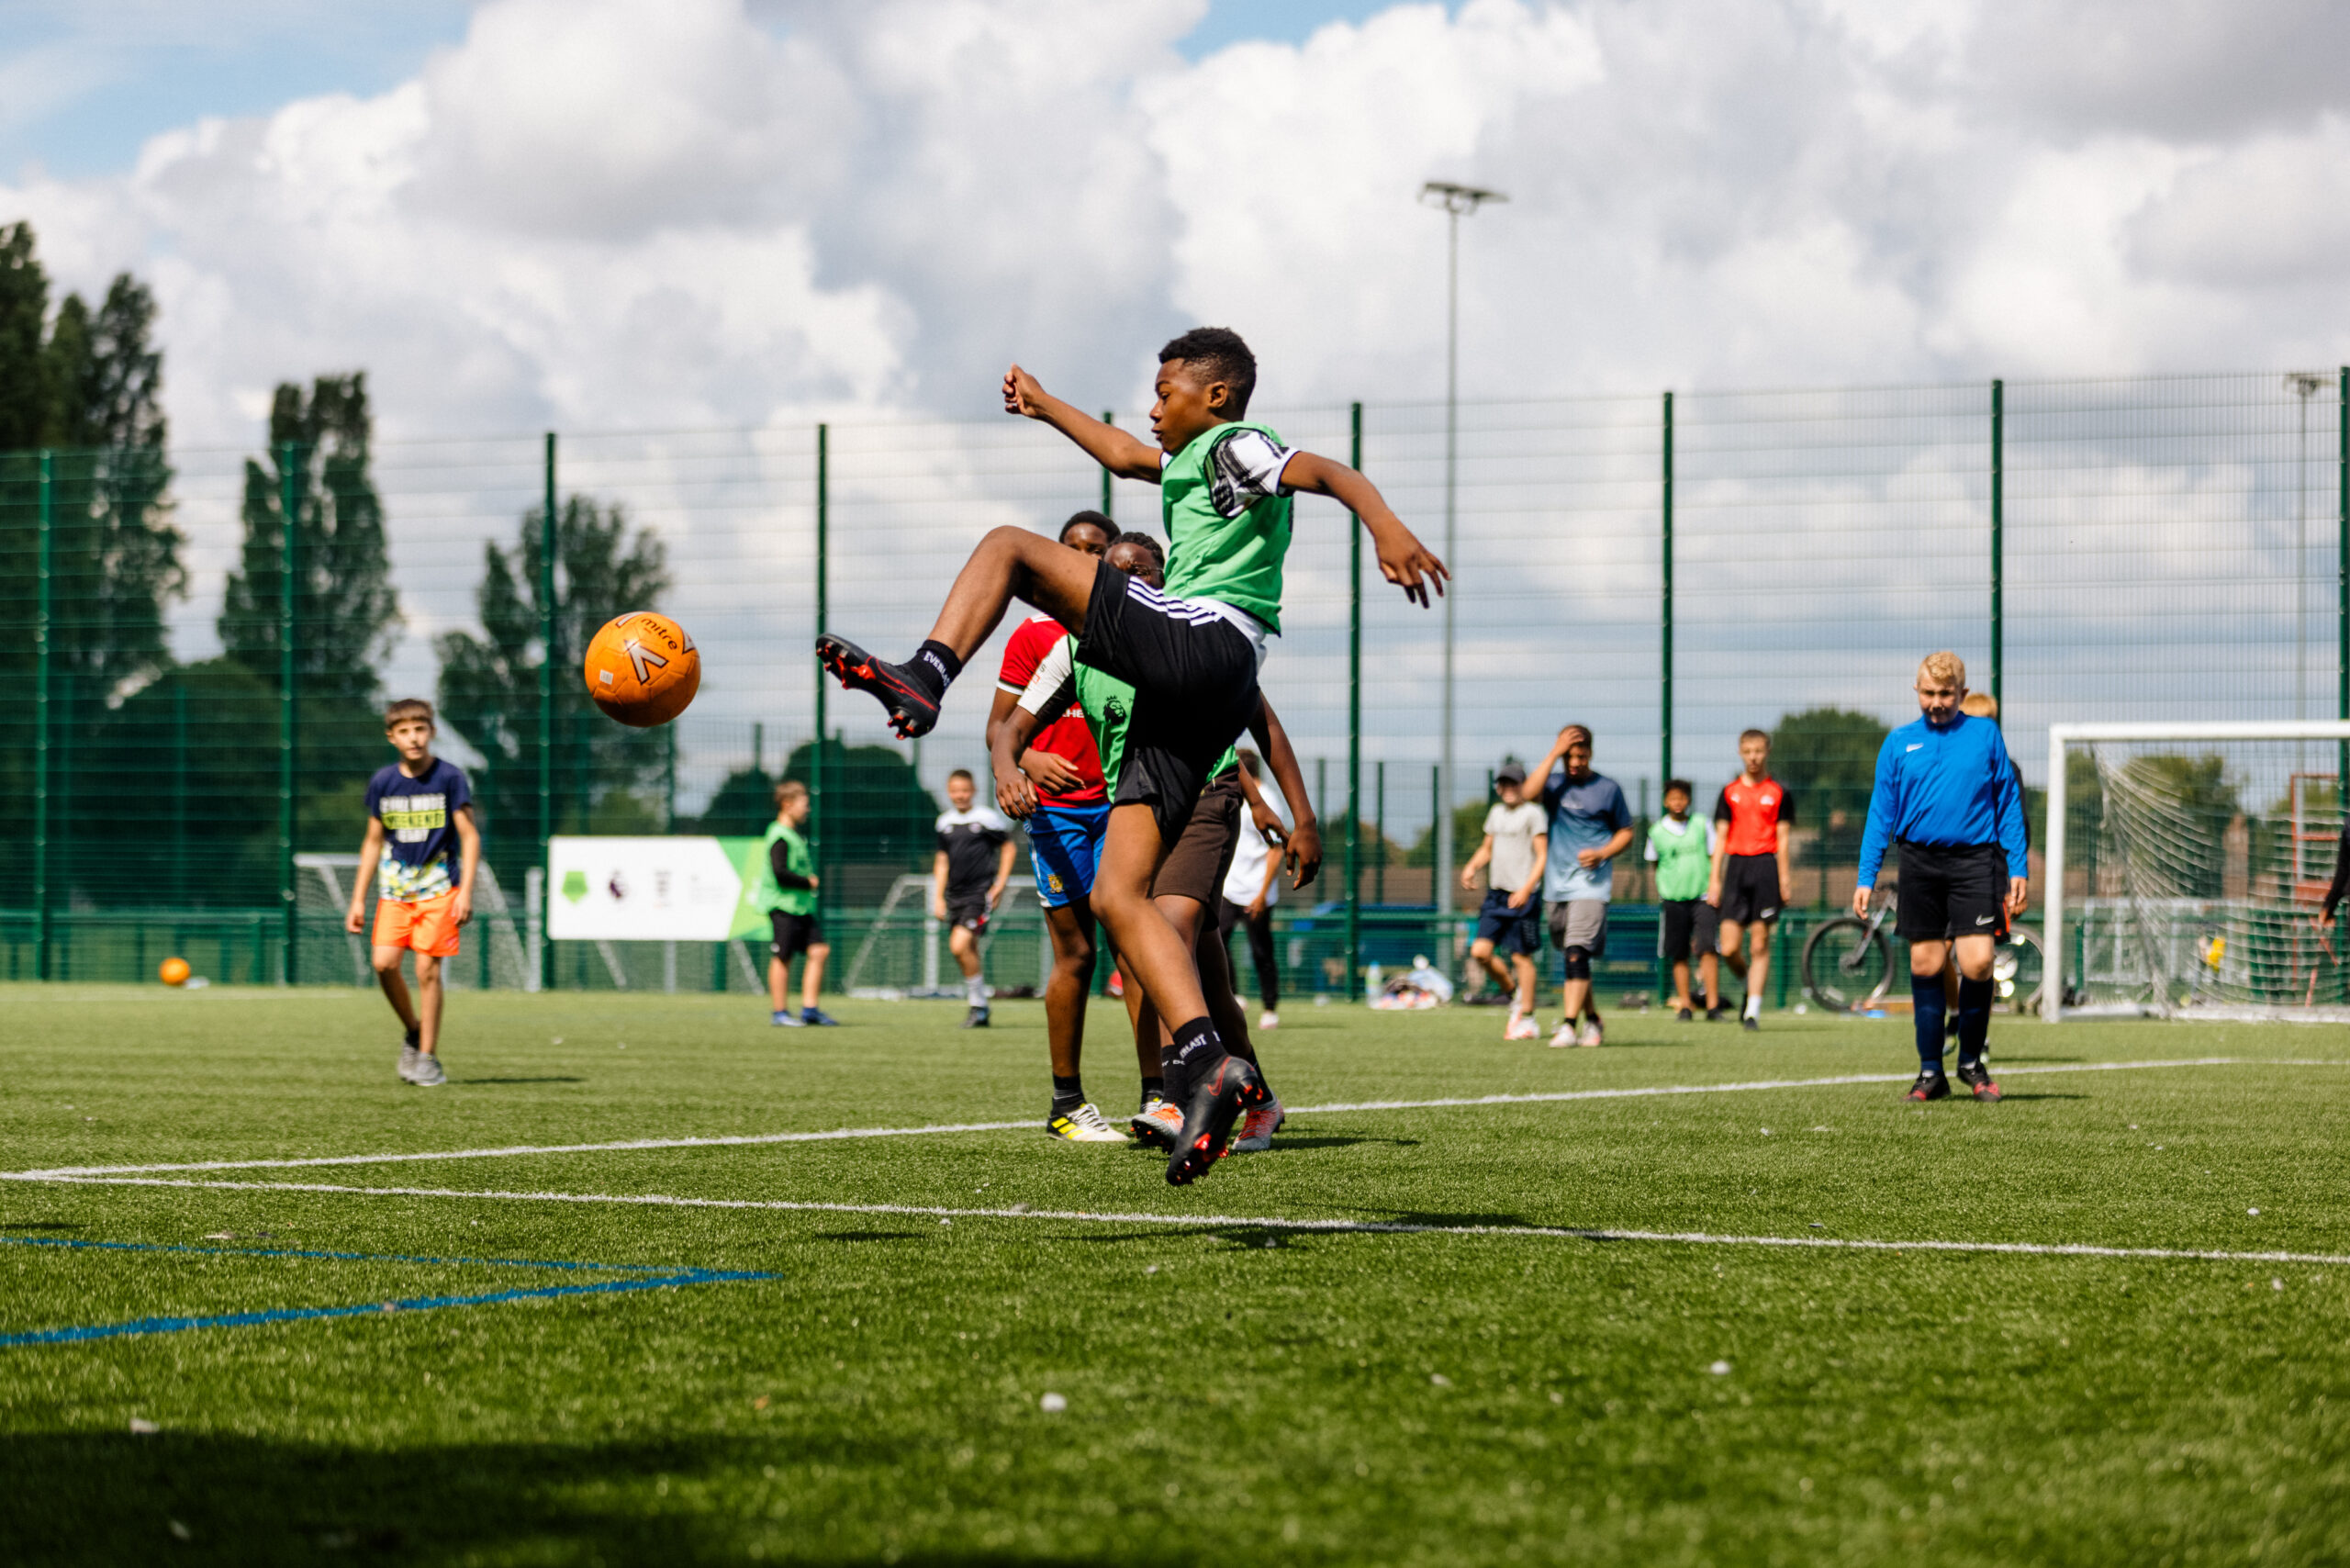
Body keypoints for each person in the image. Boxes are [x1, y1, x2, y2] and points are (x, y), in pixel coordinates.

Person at [822, 328, 1443, 1182]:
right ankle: (1208, 1063)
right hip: (1195, 697)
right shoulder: (1183, 464)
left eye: (1165, 391)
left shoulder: (1234, 445)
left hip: (1209, 642)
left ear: (1215, 396)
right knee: (1120, 894)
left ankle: (926, 676)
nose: (1152, 408)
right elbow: (1117, 452)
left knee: (1008, 545)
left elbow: (1327, 473)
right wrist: (1043, 407)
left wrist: (1388, 528)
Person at [994, 530, 1323, 1164]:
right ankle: (1259, 1096)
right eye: (1118, 572)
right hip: (1142, 809)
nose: (1130, 582)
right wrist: (1014, 764)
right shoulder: (1074, 651)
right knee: (1202, 975)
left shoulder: (1185, 635)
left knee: (1166, 926)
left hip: (1206, 795)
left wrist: (1293, 814)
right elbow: (1009, 731)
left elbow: (1262, 724)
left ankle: (1178, 1095)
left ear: (1164, 578)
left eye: (1142, 571)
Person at [985, 510, 1131, 1140]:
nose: (1081, 557)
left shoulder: (1136, 628)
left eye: (1094, 549)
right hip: (1061, 813)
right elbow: (999, 727)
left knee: (1139, 951)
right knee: (1076, 952)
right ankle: (1066, 1104)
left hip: (1129, 804)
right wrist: (1024, 758)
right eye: (1070, 548)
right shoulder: (1032, 635)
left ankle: (1162, 1097)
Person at [1854, 652, 2030, 1103]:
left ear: (1963, 694)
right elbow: (1881, 813)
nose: (1936, 702)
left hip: (1974, 863)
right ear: (1916, 691)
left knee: (1978, 964)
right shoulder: (1898, 743)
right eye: (1928, 693)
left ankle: (1972, 1062)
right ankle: (1930, 1072)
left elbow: (2007, 801)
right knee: (1926, 964)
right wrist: (1866, 876)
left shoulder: (1984, 735)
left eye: (1946, 694)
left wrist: (2018, 866)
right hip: (1919, 863)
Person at [343, 698, 480, 1088]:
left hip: (439, 890)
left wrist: (465, 891)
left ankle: (426, 1057)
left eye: (420, 729)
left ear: (432, 732)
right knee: (384, 964)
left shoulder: (449, 778)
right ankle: (414, 1030)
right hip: (395, 892)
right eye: (404, 731)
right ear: (392, 737)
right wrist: (357, 898)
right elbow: (372, 842)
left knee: (426, 970)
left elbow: (469, 837)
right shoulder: (384, 782)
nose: (413, 737)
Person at [1523, 724, 1635, 1047]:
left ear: (1591, 754)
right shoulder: (1554, 784)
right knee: (1573, 956)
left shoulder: (1608, 789)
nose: (1575, 763)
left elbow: (1626, 832)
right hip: (1556, 887)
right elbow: (1528, 794)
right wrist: (1553, 753)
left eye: (1581, 756)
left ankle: (1569, 1025)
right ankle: (1594, 1020)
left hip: (1591, 886)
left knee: (1576, 954)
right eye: (1569, 756)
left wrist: (1603, 853)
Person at [1709, 729, 1794, 1032]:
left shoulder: (1779, 792)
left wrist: (1784, 878)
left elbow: (1783, 840)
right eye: (1748, 751)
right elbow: (1720, 840)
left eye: (1758, 751)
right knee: (1729, 947)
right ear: (1740, 752)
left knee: (1759, 944)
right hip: (1736, 869)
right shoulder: (1729, 792)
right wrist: (1714, 880)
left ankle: (1752, 1011)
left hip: (1766, 868)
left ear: (1767, 751)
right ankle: (1748, 985)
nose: (1753, 757)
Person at [1459, 759, 1547, 1039]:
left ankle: (1529, 1017)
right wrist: (1472, 867)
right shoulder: (1496, 813)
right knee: (1480, 952)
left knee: (1522, 957)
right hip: (1496, 896)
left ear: (1523, 786)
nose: (1509, 788)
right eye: (1504, 783)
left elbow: (1542, 855)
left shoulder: (1533, 814)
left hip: (1524, 896)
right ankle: (1514, 992)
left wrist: (1526, 889)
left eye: (1514, 783)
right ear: (1499, 788)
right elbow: (1487, 848)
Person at [932, 769, 1015, 1028]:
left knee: (959, 945)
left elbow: (1008, 847)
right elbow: (942, 860)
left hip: (979, 894)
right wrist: (938, 897)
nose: (960, 795)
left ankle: (978, 1004)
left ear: (974, 790)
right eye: (955, 790)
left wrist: (1000, 884)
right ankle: (979, 1007)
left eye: (965, 790)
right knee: (966, 950)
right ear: (949, 792)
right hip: (954, 895)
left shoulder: (986, 819)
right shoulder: (944, 822)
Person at [754, 780, 836, 1028]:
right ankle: (779, 1013)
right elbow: (780, 873)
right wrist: (808, 882)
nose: (807, 809)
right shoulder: (779, 835)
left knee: (819, 950)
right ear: (787, 804)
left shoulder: (792, 835)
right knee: (783, 957)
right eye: (804, 804)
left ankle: (810, 1009)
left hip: (801, 907)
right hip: (783, 906)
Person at [1216, 749, 1288, 1033]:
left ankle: (1270, 1009)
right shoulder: (1232, 795)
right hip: (1229, 888)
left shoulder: (1267, 800)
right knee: (1216, 940)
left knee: (1261, 951)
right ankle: (1233, 995)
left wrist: (1261, 893)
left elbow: (1275, 851)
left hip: (1258, 892)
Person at [1645, 779, 1719, 1022]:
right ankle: (1685, 1005)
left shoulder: (1701, 824)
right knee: (1679, 952)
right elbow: (1654, 863)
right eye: (1673, 798)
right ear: (1666, 801)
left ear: (1688, 800)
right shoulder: (1656, 831)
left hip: (1703, 897)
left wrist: (1714, 886)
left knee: (1708, 947)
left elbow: (1714, 854)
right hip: (1673, 899)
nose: (1678, 803)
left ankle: (1713, 1006)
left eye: (1682, 798)